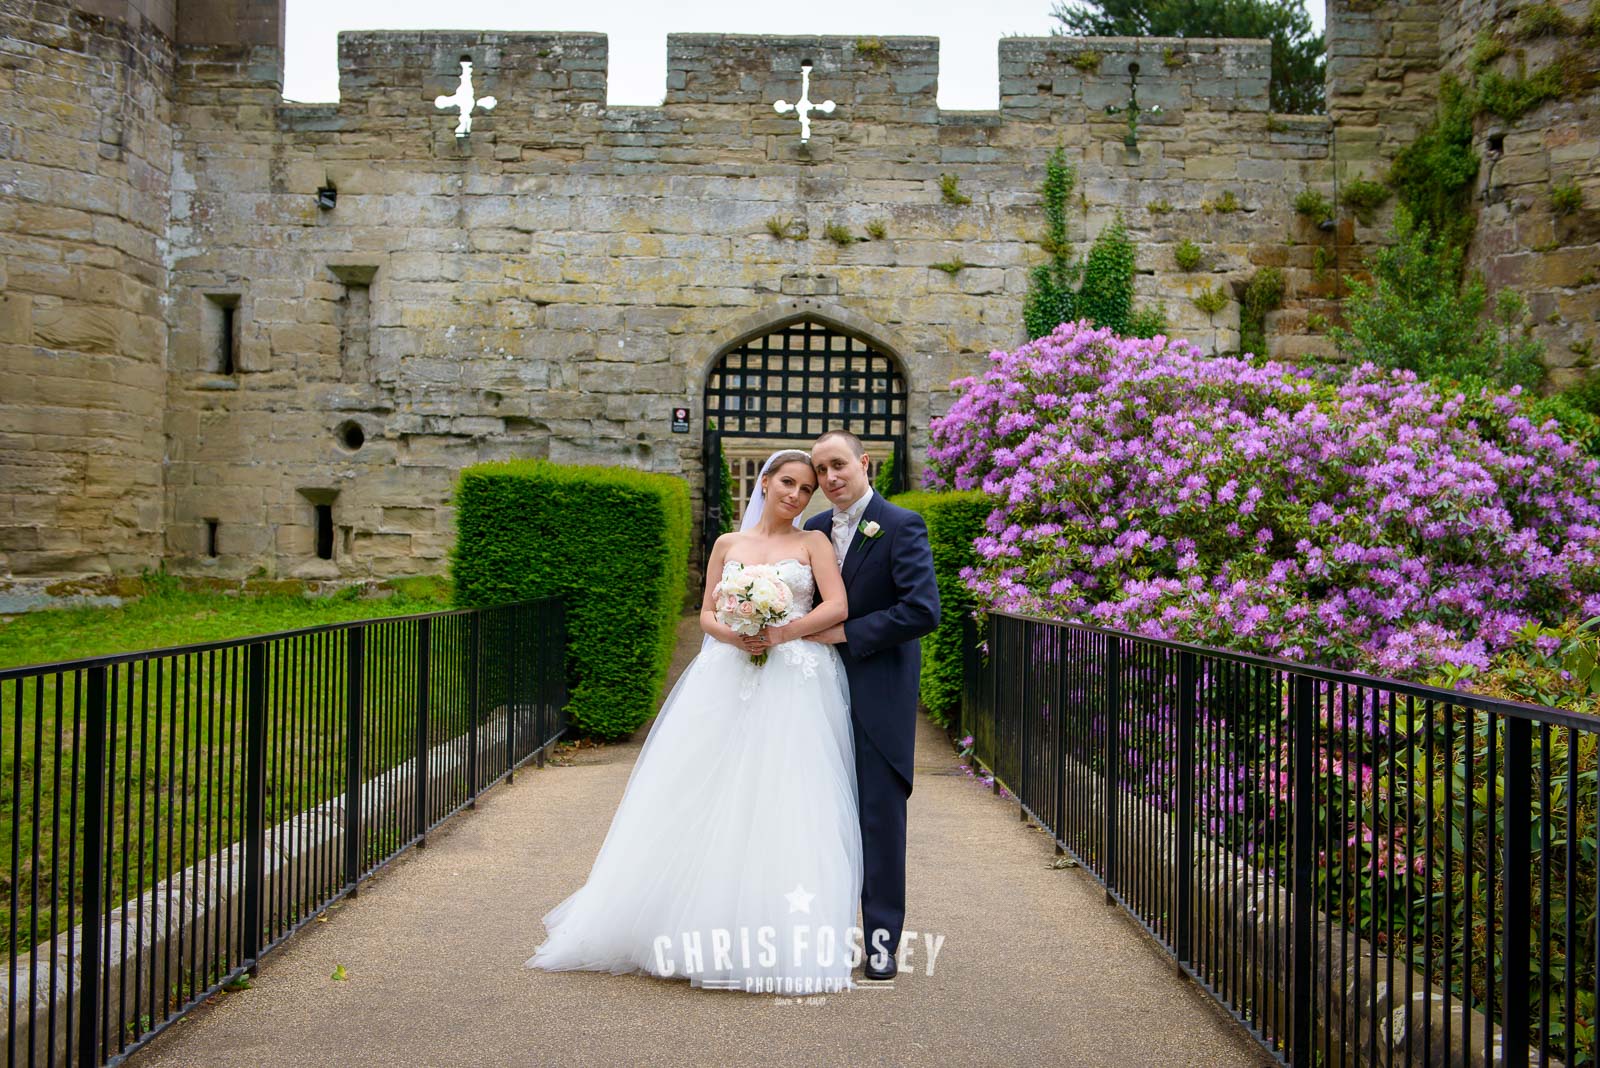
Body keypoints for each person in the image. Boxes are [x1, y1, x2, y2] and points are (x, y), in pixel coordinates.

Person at [526, 450, 865, 994]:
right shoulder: (728, 545)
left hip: (795, 680)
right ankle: (677, 926)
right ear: (765, 482)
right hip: (727, 672)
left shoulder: (813, 543)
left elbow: (838, 605)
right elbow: (707, 612)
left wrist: (782, 630)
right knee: (701, 789)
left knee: (784, 795)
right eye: (788, 483)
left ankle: (774, 934)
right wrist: (736, 632)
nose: (796, 496)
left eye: (807, 490)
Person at [803, 429, 940, 981]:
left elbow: (922, 611)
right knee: (816, 817)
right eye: (822, 473)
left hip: (877, 692)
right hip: (811, 694)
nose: (831, 478)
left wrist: (846, 634)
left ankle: (881, 944)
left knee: (880, 819)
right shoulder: (811, 530)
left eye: (839, 465)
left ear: (864, 463)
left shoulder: (901, 525)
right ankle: (816, 931)